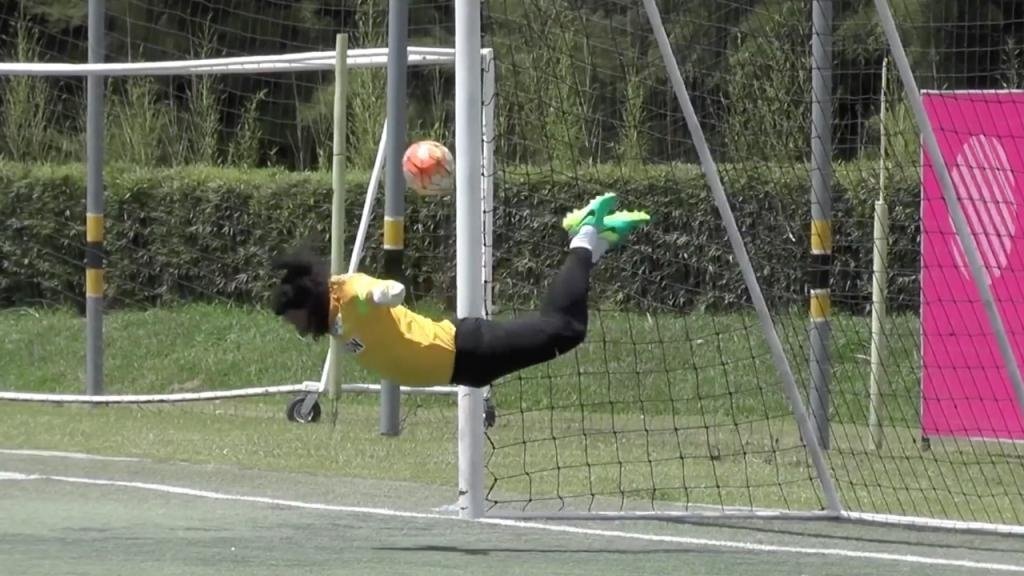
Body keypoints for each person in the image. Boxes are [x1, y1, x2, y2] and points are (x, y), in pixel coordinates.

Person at [270, 193, 649, 388]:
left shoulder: (351, 297)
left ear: (311, 303)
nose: (297, 328)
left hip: (467, 348)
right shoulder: (335, 317)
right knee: (558, 329)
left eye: (295, 320)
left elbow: (378, 291)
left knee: (565, 329)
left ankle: (584, 234)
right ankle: (597, 242)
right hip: (466, 368)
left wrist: (384, 293)